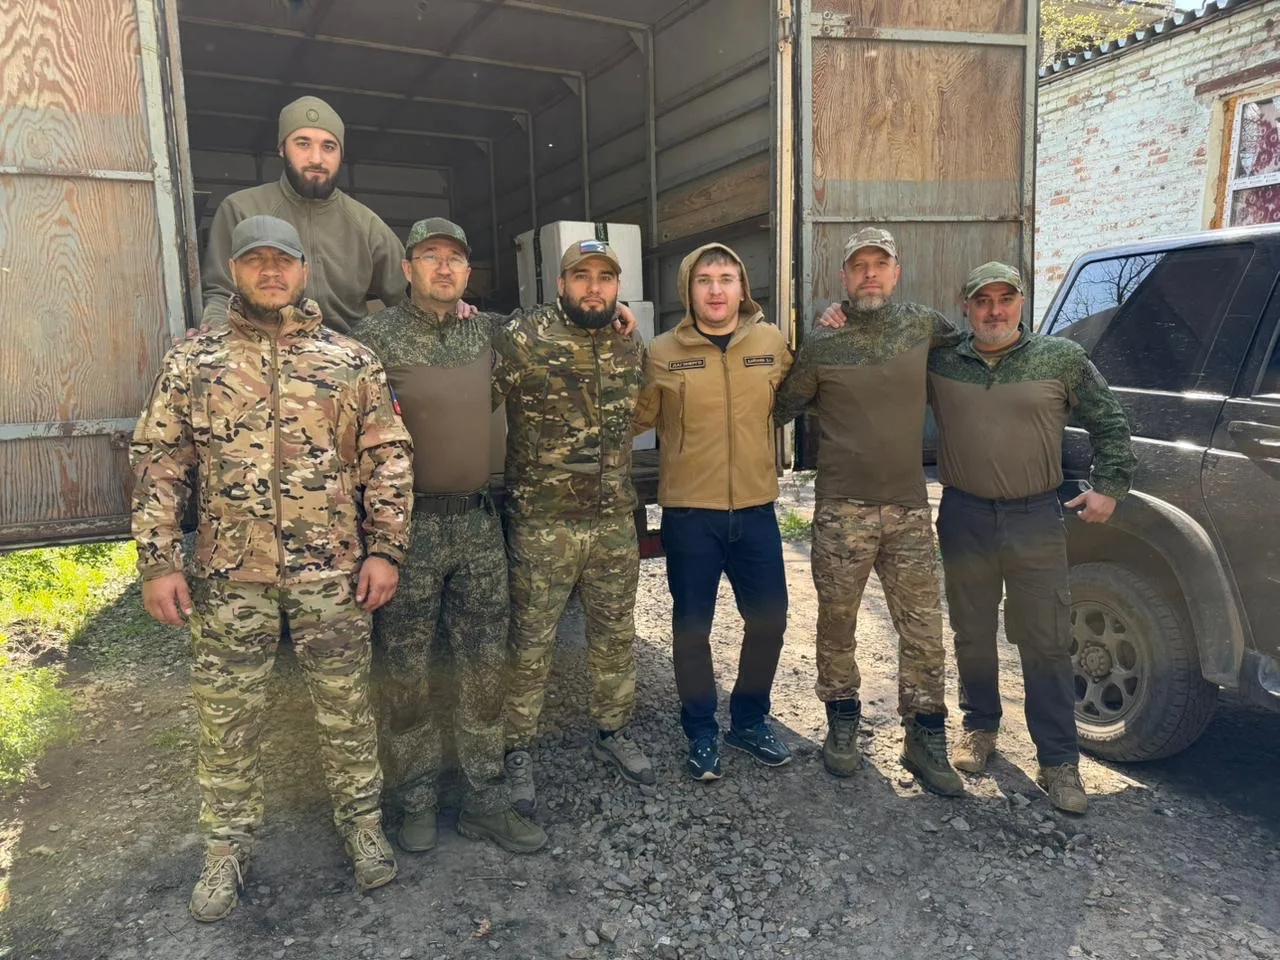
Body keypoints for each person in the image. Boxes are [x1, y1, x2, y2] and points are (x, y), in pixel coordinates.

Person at [130, 215, 413, 921]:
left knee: (346, 708)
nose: (271, 272)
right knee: (227, 719)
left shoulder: (349, 360)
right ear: (235, 271)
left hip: (331, 574)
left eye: (282, 260)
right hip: (231, 577)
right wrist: (159, 562)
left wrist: (386, 549)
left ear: (303, 271)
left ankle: (363, 825)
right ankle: (226, 846)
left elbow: (388, 457)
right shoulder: (194, 362)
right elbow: (160, 463)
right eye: (256, 260)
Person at [354, 218, 546, 856]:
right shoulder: (373, 338)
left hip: (477, 525)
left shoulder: (488, 331)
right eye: (430, 256)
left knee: (485, 669)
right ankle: (415, 799)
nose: (443, 267)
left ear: (468, 272)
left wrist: (622, 317)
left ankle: (485, 800)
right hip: (404, 531)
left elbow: (562, 328)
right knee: (405, 672)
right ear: (407, 268)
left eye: (455, 258)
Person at [929, 261, 1137, 814]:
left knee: (1045, 637)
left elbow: (1110, 420)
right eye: (982, 301)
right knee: (971, 629)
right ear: (967, 306)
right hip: (964, 514)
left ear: (1022, 303)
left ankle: (1059, 761)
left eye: (1005, 299)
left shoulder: (1059, 358)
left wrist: (1110, 486)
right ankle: (979, 727)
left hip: (1034, 517)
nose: (994, 311)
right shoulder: (943, 360)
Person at [774, 227, 965, 796]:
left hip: (909, 509)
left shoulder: (924, 326)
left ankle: (925, 735)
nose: (870, 275)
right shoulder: (823, 341)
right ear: (844, 276)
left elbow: (980, 349)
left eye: (880, 264)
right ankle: (842, 723)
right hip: (842, 509)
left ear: (896, 272)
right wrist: (814, 331)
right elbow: (784, 404)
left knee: (924, 628)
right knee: (837, 623)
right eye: (859, 266)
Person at [493, 239, 651, 815]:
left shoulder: (628, 342)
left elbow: (643, 409)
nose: (593, 287)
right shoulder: (524, 335)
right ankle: (516, 749)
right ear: (560, 284)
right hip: (543, 523)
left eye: (605, 278)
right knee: (530, 642)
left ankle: (614, 730)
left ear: (617, 287)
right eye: (581, 276)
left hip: (612, 519)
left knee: (615, 635)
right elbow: (474, 384)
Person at [634, 243, 793, 781]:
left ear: (743, 287)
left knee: (770, 619)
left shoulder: (772, 344)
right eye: (704, 280)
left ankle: (749, 720)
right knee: (691, 628)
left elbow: (804, 392)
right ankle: (701, 730)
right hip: (690, 515)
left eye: (727, 278)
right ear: (688, 290)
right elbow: (634, 417)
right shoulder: (661, 351)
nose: (717, 290)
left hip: (755, 508)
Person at [199, 96, 407, 334]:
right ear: (282, 149)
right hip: (262, 347)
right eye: (303, 144)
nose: (316, 159)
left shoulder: (366, 223)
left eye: (328, 147)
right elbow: (220, 293)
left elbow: (410, 299)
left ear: (341, 154)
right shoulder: (240, 209)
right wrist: (215, 338)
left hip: (348, 351)